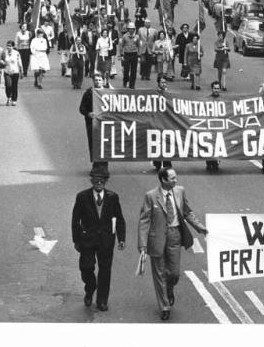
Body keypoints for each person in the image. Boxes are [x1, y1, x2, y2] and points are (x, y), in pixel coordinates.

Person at [137, 167, 208, 321]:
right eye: (173, 178)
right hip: (157, 239)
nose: (176, 180)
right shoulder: (151, 196)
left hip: (175, 235)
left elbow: (187, 212)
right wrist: (142, 244)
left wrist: (200, 227)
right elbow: (144, 220)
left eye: (176, 177)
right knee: (159, 273)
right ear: (163, 180)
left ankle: (169, 289)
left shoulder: (180, 191)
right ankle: (164, 306)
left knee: (174, 273)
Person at [71, 170, 126, 312]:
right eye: (96, 180)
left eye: (102, 180)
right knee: (86, 268)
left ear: (106, 181)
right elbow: (75, 220)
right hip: (87, 240)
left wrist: (121, 238)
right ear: (91, 181)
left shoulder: (112, 197)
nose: (99, 183)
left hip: (106, 241)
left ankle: (102, 300)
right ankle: (90, 289)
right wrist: (76, 240)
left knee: (105, 271)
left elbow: (119, 219)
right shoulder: (82, 197)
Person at [79, 72, 109, 176]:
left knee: (105, 145)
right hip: (93, 124)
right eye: (96, 80)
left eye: (100, 80)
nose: (98, 82)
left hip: (106, 124)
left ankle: (104, 167)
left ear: (103, 81)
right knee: (94, 145)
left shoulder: (109, 93)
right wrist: (88, 113)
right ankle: (96, 167)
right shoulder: (88, 93)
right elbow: (81, 108)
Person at [152, 76, 173, 172]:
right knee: (157, 143)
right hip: (157, 121)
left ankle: (167, 163)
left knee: (167, 143)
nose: (164, 84)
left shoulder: (170, 94)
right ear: (158, 83)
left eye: (165, 82)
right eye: (162, 82)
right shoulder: (154, 94)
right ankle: (157, 163)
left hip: (167, 122)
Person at [205, 81, 222, 171]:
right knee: (209, 145)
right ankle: (209, 162)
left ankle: (216, 162)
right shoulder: (207, 99)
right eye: (215, 88)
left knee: (218, 145)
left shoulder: (224, 100)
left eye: (218, 88)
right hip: (210, 126)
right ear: (212, 89)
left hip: (219, 126)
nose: (216, 90)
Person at [119, 22, 140, 89]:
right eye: (130, 29)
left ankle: (132, 84)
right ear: (128, 29)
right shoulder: (125, 36)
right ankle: (125, 81)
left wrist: (139, 55)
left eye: (132, 29)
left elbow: (139, 46)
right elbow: (121, 46)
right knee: (126, 70)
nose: (131, 30)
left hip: (134, 54)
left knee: (134, 71)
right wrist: (121, 55)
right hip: (127, 55)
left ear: (134, 29)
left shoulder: (137, 37)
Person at [3, 40, 24, 106]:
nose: (8, 47)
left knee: (14, 86)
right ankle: (9, 97)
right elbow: (1, 61)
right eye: (8, 46)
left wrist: (21, 72)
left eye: (10, 46)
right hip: (7, 72)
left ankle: (14, 99)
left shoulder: (16, 53)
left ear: (13, 46)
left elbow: (20, 63)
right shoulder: (4, 53)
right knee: (8, 85)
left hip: (15, 72)